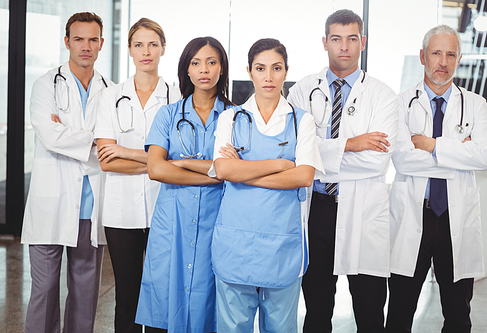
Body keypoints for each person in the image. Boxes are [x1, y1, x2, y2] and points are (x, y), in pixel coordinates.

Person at [287, 9, 398, 333]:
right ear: (325, 42)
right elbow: (294, 153)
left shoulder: (382, 95)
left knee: (370, 311)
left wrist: (319, 154)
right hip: (316, 210)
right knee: (317, 310)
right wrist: (351, 144)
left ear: (362, 41)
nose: (344, 47)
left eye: (352, 39)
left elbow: (378, 161)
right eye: (336, 39)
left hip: (363, 210)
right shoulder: (302, 90)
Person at [386, 25, 487, 333]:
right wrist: (458, 154)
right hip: (413, 215)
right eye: (436, 53)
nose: (443, 62)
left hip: (455, 219)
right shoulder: (400, 103)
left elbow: (483, 156)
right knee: (399, 313)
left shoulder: (475, 104)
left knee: (458, 315)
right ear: (423, 56)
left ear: (459, 59)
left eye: (450, 54)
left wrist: (432, 145)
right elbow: (402, 159)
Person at [211, 38, 324, 333]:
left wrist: (243, 171)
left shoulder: (302, 122)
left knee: (280, 328)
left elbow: (303, 177)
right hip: (235, 245)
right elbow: (223, 169)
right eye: (261, 68)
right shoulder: (231, 118)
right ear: (249, 71)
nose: (269, 76)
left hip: (281, 247)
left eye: (276, 68)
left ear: (286, 71)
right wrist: (278, 163)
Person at [21, 12, 111, 333]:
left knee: (86, 294)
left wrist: (70, 133)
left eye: (92, 39)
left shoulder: (110, 91)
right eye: (78, 39)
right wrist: (96, 140)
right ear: (66, 42)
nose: (85, 46)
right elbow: (49, 135)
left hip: (89, 207)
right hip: (51, 203)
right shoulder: (46, 85)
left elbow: (112, 143)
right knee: (44, 292)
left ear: (101, 44)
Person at [135, 36, 231, 332]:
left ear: (222, 70)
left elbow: (236, 171)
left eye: (212, 62)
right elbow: (155, 169)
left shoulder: (235, 118)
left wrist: (182, 163)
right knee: (165, 302)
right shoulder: (168, 115)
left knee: (209, 306)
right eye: (196, 62)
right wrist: (212, 175)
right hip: (172, 224)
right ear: (186, 70)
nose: (204, 69)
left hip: (216, 223)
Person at [94, 18, 181, 333]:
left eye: (153, 44)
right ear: (129, 49)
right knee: (127, 295)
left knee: (161, 295)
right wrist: (160, 161)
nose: (146, 51)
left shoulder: (177, 98)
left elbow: (184, 159)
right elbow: (106, 160)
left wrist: (128, 152)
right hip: (121, 212)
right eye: (139, 44)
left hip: (166, 208)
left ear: (163, 49)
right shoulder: (111, 96)